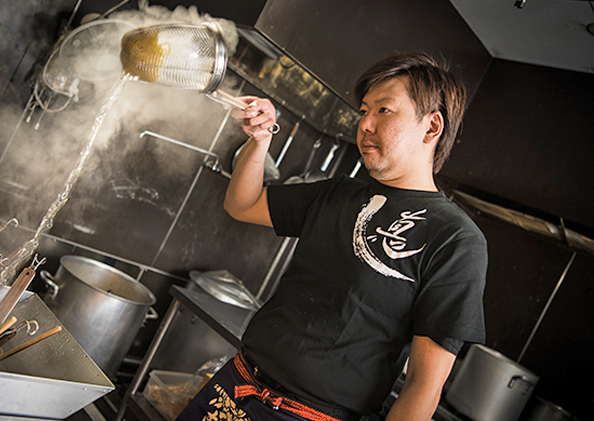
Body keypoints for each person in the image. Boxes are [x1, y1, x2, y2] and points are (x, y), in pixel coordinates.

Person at [177, 52, 487, 421]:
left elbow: (423, 386)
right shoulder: (337, 194)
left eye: (384, 111)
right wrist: (259, 140)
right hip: (234, 387)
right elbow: (242, 204)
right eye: (363, 111)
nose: (366, 124)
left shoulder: (455, 239)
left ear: (431, 127)